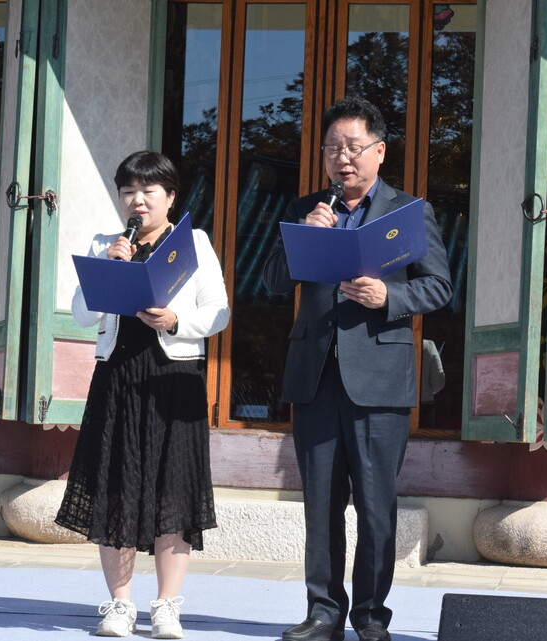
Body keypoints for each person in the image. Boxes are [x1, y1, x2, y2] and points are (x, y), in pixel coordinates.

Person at [263, 97, 452, 641]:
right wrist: (309, 233)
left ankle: (371, 616)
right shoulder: (306, 208)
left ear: (379, 151)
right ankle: (323, 612)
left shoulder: (408, 211)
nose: (342, 159)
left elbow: (439, 286)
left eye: (353, 147)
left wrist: (387, 295)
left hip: (381, 380)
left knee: (375, 507)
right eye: (332, 149)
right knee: (320, 504)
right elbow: (273, 281)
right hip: (315, 376)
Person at [56, 151, 230, 638]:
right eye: (128, 191)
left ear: (170, 196)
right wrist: (110, 268)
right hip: (119, 378)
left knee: (174, 489)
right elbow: (83, 314)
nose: (137, 200)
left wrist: (176, 320)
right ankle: (119, 604)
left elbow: (219, 312)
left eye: (148, 191)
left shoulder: (192, 241)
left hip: (175, 379)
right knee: (116, 488)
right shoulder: (105, 244)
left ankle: (167, 605)